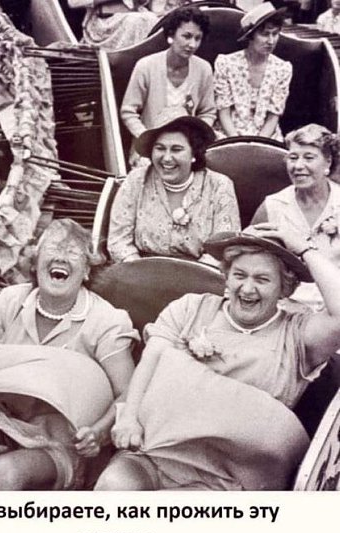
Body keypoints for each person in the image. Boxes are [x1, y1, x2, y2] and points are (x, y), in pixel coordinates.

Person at [96, 224, 340, 491]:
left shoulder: (298, 335)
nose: (247, 288)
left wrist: (305, 249)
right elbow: (150, 362)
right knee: (113, 485)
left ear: (285, 288)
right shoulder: (190, 308)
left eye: (262, 280)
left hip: (227, 479)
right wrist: (129, 418)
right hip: (153, 453)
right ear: (226, 276)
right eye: (239, 275)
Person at [0, 219, 137, 491]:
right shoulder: (8, 302)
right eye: (53, 248)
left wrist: (99, 432)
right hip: (0, 427)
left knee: (5, 473)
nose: (61, 256)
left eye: (72, 252)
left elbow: (129, 393)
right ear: (35, 263)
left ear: (86, 271)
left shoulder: (106, 320)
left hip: (66, 445)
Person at [107, 110, 240, 262]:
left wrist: (193, 274)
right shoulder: (136, 180)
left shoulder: (219, 185)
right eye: (160, 148)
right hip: (140, 269)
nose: (167, 158)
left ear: (194, 154)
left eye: (176, 149)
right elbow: (118, 241)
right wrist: (139, 270)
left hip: (201, 273)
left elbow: (224, 247)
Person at [252, 123, 340, 310]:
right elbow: (249, 258)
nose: (298, 166)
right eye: (293, 158)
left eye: (309, 157)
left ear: (328, 161)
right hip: (285, 309)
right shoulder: (273, 205)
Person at [120, 5, 216, 159]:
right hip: (149, 150)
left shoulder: (204, 69)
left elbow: (208, 112)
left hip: (188, 150)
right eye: (186, 36)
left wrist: (195, 139)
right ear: (171, 34)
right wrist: (147, 138)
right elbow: (128, 111)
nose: (192, 44)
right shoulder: (146, 66)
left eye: (197, 38)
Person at [213, 2, 292, 140]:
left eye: (275, 34)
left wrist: (259, 144)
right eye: (265, 34)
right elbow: (223, 112)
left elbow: (273, 116)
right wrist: (236, 141)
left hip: (267, 135)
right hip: (228, 133)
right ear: (250, 36)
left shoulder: (282, 68)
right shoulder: (226, 63)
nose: (271, 41)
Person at [67, 1, 183, 50]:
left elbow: (154, 6)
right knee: (142, 21)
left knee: (159, 23)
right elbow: (73, 2)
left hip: (136, 16)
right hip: (105, 23)